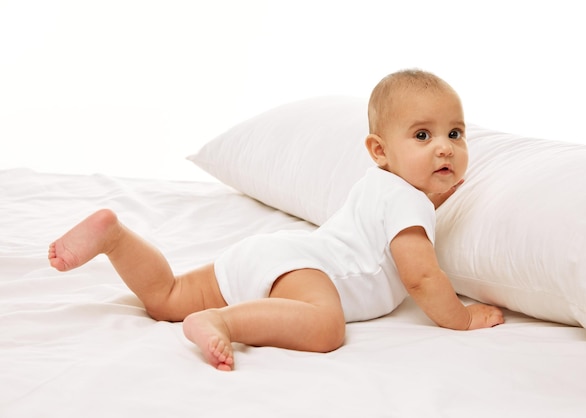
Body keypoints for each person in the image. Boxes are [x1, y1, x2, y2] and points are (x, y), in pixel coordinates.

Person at [48, 69, 504, 371]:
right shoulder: (410, 205)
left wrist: (434, 194)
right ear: (380, 151)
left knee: (165, 298)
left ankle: (114, 236)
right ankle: (223, 322)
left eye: (456, 133)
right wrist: (460, 318)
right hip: (312, 274)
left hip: (273, 254)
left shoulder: (377, 184)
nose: (444, 147)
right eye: (423, 135)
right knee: (326, 328)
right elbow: (422, 276)